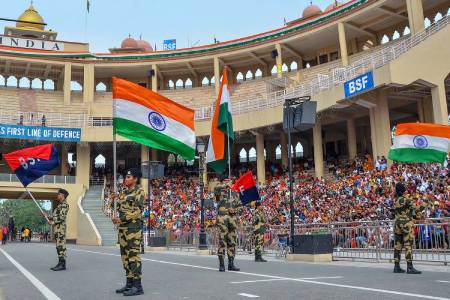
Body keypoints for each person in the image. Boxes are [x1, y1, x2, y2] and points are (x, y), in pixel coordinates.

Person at [112, 168, 145, 296]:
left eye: (129, 177)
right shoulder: (123, 192)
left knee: (133, 256)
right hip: (123, 229)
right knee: (125, 257)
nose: (126, 179)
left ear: (135, 179)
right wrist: (113, 200)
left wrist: (121, 219)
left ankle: (138, 286)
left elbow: (137, 211)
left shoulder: (139, 192)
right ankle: (129, 284)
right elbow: (117, 207)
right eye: (126, 177)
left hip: (133, 228)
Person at [393, 182, 426, 274]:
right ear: (404, 190)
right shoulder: (406, 200)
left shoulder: (396, 200)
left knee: (398, 246)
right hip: (406, 224)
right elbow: (418, 209)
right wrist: (426, 202)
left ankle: (396, 266)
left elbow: (410, 212)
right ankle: (410, 267)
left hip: (397, 223)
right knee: (408, 245)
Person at [215, 181, 240, 272]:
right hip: (222, 218)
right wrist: (225, 185)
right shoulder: (220, 191)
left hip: (232, 219)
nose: (228, 182)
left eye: (229, 181)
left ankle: (231, 264)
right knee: (222, 241)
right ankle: (222, 265)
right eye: (226, 181)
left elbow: (240, 206)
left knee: (232, 242)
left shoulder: (235, 194)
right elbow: (215, 188)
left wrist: (235, 210)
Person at [47, 188, 70, 271]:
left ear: (62, 195)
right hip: (58, 228)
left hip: (60, 229)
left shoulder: (64, 205)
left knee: (61, 246)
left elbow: (62, 217)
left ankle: (62, 264)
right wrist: (47, 216)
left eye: (59, 194)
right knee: (58, 246)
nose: (58, 195)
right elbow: (55, 216)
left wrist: (53, 223)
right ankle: (60, 263)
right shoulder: (60, 205)